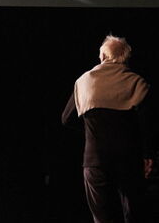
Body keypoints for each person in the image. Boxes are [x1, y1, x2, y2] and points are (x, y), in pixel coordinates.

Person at [62, 35, 152, 223]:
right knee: (134, 215)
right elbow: (146, 125)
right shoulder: (137, 83)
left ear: (103, 56)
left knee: (103, 218)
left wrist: (91, 130)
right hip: (129, 161)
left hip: (96, 160)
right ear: (125, 58)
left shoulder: (84, 81)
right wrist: (146, 156)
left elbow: (66, 119)